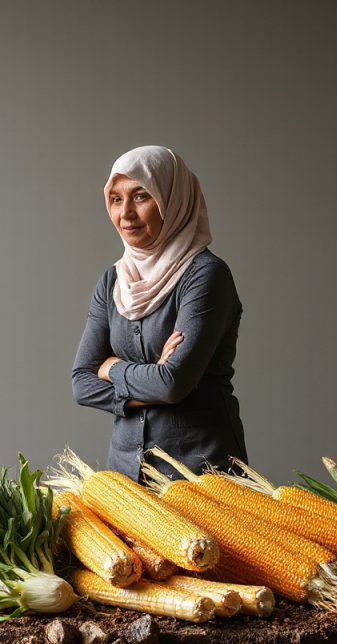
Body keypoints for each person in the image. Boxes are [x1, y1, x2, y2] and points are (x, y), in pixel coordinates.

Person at [71, 145, 246, 482]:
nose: (126, 213)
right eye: (116, 199)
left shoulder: (206, 275)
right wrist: (152, 376)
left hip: (202, 473)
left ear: (172, 200)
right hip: (126, 476)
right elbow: (81, 383)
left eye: (141, 196)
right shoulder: (112, 281)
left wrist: (111, 367)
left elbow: (171, 385)